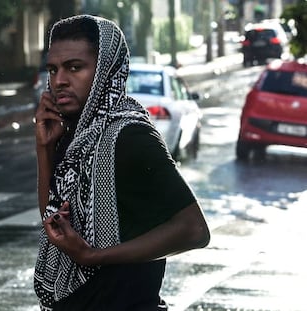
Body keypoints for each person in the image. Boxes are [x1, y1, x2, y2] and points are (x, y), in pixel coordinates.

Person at [33, 14, 210, 311]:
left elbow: (194, 230)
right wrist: (45, 148)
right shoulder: (75, 134)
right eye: (53, 70)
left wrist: (92, 257)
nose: (59, 81)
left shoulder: (130, 136)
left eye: (75, 68)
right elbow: (52, 222)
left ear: (104, 69)